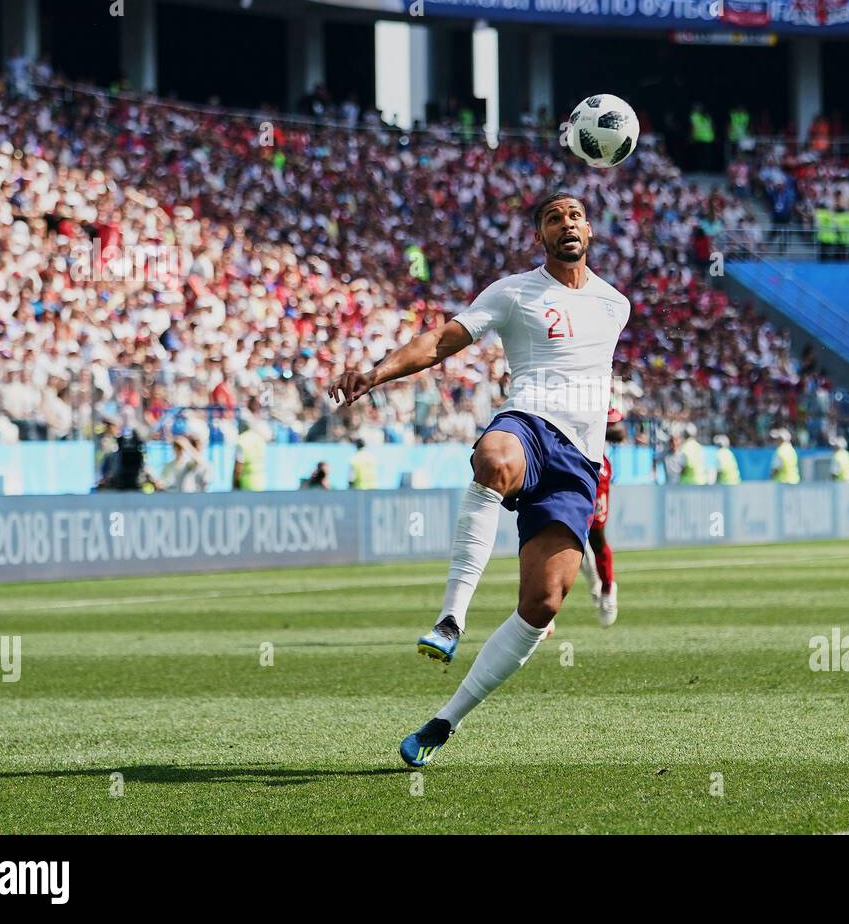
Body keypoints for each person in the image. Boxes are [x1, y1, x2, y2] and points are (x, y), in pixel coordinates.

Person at [327, 192, 630, 768]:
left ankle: (445, 721)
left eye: (573, 216)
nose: (565, 224)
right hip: (529, 424)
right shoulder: (513, 291)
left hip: (579, 463)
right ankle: (450, 617)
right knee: (493, 457)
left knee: (542, 604)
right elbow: (441, 342)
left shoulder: (617, 304)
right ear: (539, 235)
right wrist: (375, 374)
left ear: (589, 229)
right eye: (552, 218)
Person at [579, 408, 625, 627]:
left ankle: (607, 588)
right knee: (570, 543)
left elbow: (619, 432)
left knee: (597, 539)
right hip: (574, 462)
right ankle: (543, 613)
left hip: (597, 471)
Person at [233, 409, 269, 491]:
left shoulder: (241, 440)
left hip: (247, 484)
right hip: (260, 483)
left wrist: (235, 485)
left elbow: (238, 466)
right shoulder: (259, 438)